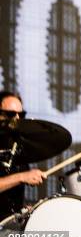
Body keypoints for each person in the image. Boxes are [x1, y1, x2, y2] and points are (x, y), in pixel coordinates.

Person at [0, 91, 46, 220]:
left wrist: (25, 210)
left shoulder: (18, 151)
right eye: (10, 114)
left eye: (21, 114)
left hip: (9, 230)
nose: (17, 118)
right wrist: (21, 177)